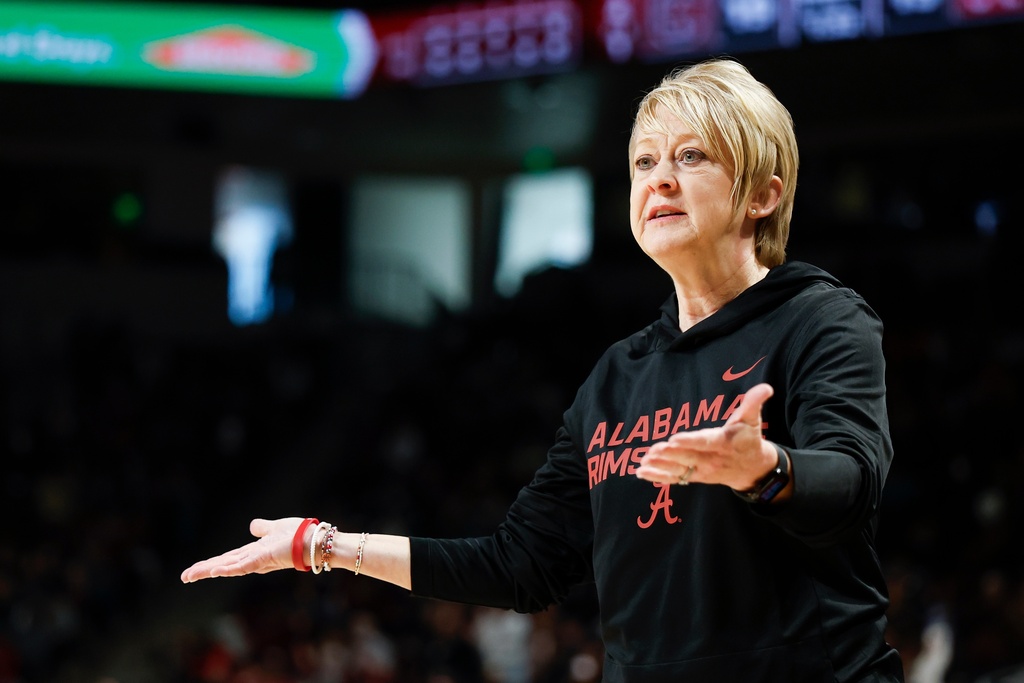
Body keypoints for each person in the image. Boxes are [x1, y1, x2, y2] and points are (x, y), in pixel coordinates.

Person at [181, 57, 905, 682]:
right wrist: (322, 545)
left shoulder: (820, 319)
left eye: (692, 157)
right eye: (644, 162)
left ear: (763, 194)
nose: (660, 180)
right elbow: (520, 563)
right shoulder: (617, 378)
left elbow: (851, 483)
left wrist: (766, 467)